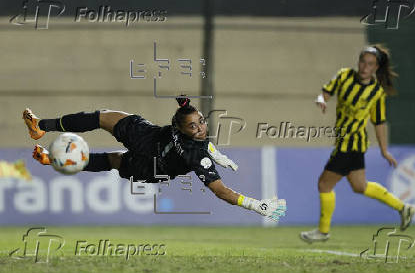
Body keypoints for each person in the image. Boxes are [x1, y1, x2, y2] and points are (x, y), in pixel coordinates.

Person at [23, 96, 286, 221]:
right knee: (102, 118)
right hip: (148, 141)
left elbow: (221, 190)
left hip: (151, 160)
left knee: (112, 158)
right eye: (194, 125)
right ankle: (41, 127)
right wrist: (217, 154)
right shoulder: (195, 149)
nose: (201, 128)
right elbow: (218, 180)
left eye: (201, 123)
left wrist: (256, 205)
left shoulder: (192, 145)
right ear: (179, 127)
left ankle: (50, 150)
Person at [300, 45, 415, 243]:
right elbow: (325, 92)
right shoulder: (344, 76)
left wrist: (384, 150)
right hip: (348, 144)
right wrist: (321, 100)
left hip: (351, 145)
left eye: (370, 64)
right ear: (359, 61)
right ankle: (403, 208)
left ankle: (323, 231)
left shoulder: (376, 92)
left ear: (376, 67)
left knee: (324, 184)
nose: (364, 67)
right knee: (360, 186)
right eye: (363, 61)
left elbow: (379, 122)